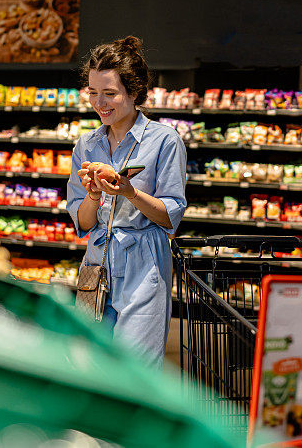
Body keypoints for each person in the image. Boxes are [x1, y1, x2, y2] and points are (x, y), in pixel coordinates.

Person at [66, 36, 187, 366]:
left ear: (134, 92)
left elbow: (169, 215)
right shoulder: (86, 146)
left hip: (144, 265)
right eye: (92, 92)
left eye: (109, 93)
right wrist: (93, 195)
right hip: (98, 262)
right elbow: (84, 221)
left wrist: (129, 192)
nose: (99, 102)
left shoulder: (164, 141)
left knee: (135, 370)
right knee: (90, 365)